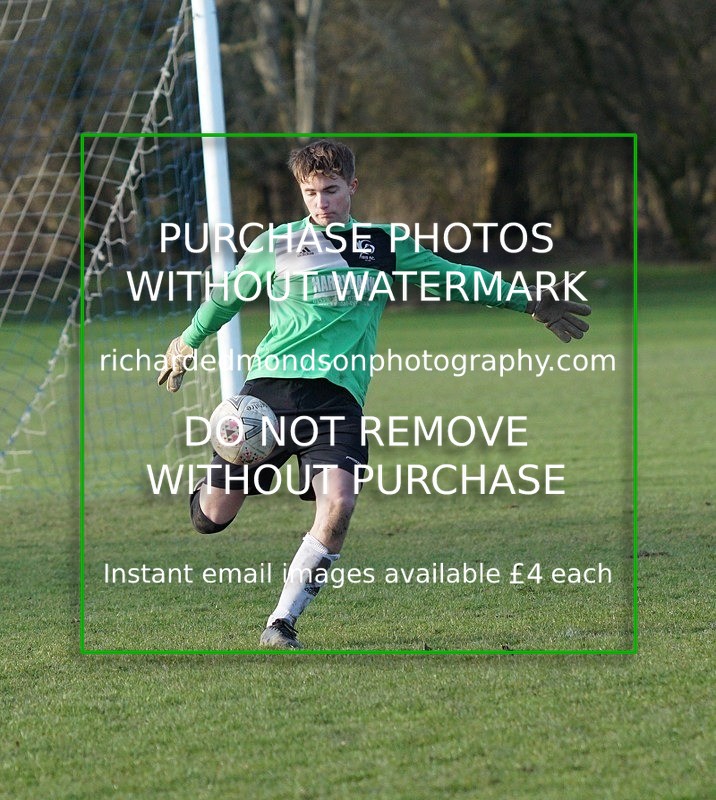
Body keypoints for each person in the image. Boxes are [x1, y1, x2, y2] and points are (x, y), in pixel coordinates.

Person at [157, 139, 591, 649]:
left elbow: (454, 278)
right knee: (213, 518)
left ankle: (281, 622)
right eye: (311, 192)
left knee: (338, 505)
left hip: (338, 401)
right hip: (268, 398)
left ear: (353, 188)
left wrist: (526, 301)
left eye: (332, 190)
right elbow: (225, 298)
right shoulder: (275, 244)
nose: (321, 203)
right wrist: (186, 342)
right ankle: (210, 487)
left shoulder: (383, 244)